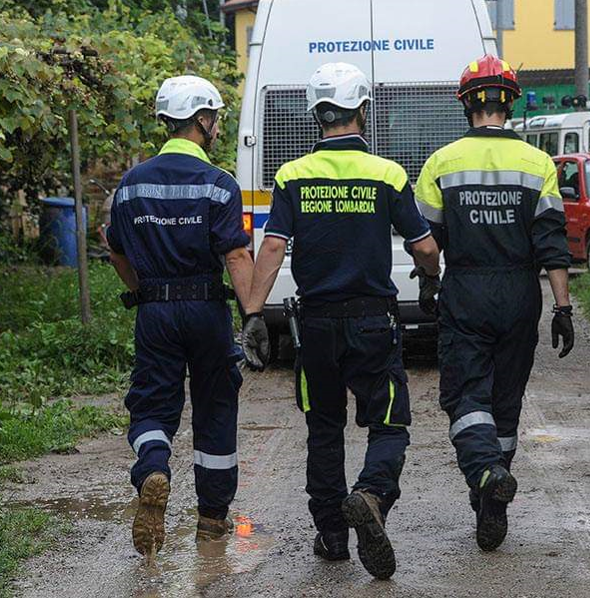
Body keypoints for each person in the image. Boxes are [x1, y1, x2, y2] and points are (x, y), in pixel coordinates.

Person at [241, 62, 440, 580]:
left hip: (317, 327)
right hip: (375, 322)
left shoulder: (291, 175)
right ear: (363, 111)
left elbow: (273, 246)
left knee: (323, 428)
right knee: (390, 420)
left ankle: (331, 534)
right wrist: (430, 277)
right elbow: (423, 245)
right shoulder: (388, 174)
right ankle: (371, 495)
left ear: (315, 115)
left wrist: (254, 313)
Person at [413, 55, 574, 553]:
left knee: (465, 397)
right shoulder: (537, 164)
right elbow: (552, 244)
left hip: (466, 290)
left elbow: (427, 243)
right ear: (509, 104)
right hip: (520, 294)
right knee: (505, 402)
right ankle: (492, 502)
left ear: (467, 104)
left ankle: (483, 472)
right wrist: (563, 308)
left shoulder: (441, 162)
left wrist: (428, 283)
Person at [106, 75, 254, 557]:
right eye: (213, 120)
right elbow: (235, 257)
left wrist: (145, 291)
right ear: (203, 120)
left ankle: (152, 466)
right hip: (207, 309)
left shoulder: (130, 185)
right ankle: (211, 519)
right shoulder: (219, 185)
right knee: (215, 406)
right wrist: (252, 313)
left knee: (151, 402)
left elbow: (118, 254)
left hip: (155, 311)